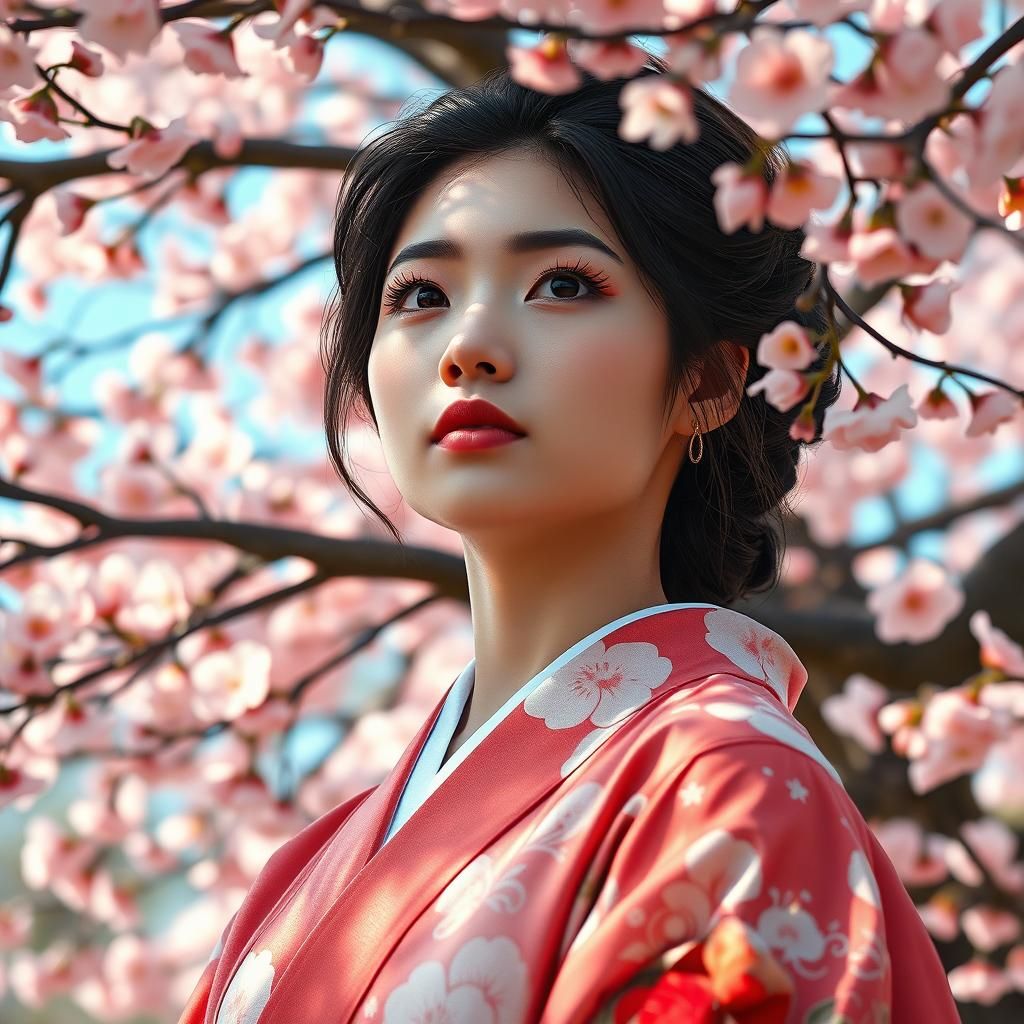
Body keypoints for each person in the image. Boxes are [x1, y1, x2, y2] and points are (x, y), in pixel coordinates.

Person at [179, 58, 961, 1024]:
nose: (469, 343)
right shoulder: (296, 876)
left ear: (708, 382)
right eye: (419, 295)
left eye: (561, 282)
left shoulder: (728, 787)